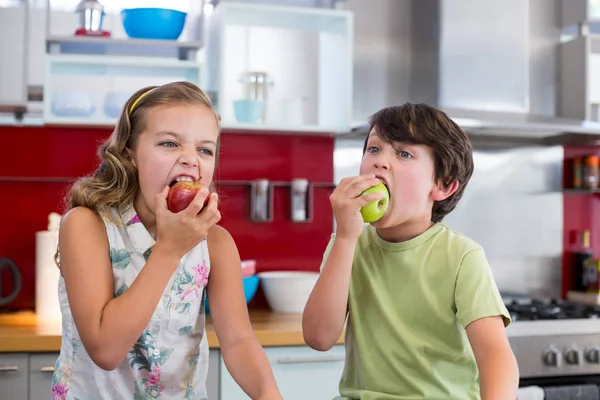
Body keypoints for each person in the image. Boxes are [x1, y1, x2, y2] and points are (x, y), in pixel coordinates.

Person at [51, 81, 282, 400]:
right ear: (129, 154)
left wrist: (270, 394)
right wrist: (170, 249)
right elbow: (105, 350)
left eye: (204, 149)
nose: (191, 159)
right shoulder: (86, 226)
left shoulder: (215, 243)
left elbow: (239, 341)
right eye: (170, 144)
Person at [302, 103, 519, 400]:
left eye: (404, 153)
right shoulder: (349, 243)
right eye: (374, 149)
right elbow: (318, 337)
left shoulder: (460, 256)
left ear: (443, 186)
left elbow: (495, 355)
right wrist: (344, 239)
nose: (380, 162)